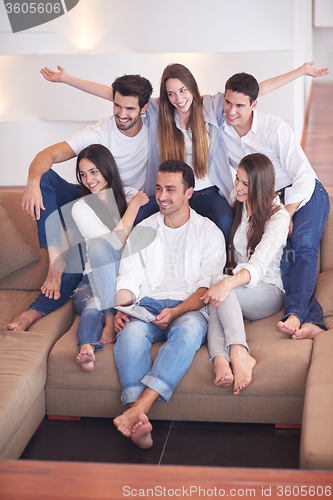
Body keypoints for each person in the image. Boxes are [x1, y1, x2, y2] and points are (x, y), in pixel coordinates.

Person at [39, 62, 328, 244]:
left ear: (191, 87)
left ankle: (220, 274)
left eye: (182, 90)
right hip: (172, 191)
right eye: (171, 93)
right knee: (138, 221)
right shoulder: (159, 113)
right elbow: (117, 96)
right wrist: (68, 79)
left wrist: (301, 72)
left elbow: (254, 92)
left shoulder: (211, 106)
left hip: (209, 190)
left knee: (226, 223)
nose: (178, 98)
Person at [7, 73, 157, 332]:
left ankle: (37, 309)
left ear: (144, 108)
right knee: (46, 179)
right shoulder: (100, 130)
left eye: (130, 108)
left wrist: (66, 78)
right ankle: (55, 265)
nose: (121, 114)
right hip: (91, 198)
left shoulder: (156, 126)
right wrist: (32, 180)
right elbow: (48, 154)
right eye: (117, 105)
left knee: (152, 209)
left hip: (128, 201)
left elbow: (190, 100)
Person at [112, 160, 226, 449]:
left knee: (187, 333)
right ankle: (139, 420)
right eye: (159, 188)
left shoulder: (209, 232)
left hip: (188, 308)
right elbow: (128, 276)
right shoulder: (144, 229)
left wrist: (175, 311)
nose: (162, 196)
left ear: (189, 192)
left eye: (171, 190)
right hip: (146, 306)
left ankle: (139, 408)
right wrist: (121, 308)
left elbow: (206, 287)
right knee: (130, 335)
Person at [220, 71, 330, 340]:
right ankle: (311, 320)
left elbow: (303, 175)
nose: (232, 111)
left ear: (254, 105)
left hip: (303, 190)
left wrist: (285, 214)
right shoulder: (222, 130)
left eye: (240, 105)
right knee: (282, 261)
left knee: (302, 247)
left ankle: (297, 315)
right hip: (267, 196)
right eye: (228, 103)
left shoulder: (274, 128)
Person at [201, 153, 290, 394]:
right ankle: (221, 360)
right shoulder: (237, 199)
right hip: (238, 290)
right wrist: (226, 286)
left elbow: (258, 266)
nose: (238, 187)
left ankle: (239, 352)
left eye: (245, 184)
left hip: (268, 292)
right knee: (217, 297)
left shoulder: (278, 217)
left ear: (260, 186)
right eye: (237, 179)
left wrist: (227, 284)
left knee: (219, 286)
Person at [70, 144, 149, 372]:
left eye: (94, 171)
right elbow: (113, 243)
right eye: (83, 174)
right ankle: (89, 344)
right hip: (92, 281)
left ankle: (101, 328)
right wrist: (134, 206)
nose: (88, 179)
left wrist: (132, 202)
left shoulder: (130, 194)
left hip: (127, 279)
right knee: (97, 248)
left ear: (107, 168)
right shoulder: (81, 207)